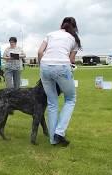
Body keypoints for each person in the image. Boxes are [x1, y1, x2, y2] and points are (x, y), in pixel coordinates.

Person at [38, 17, 81, 147]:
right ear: (74, 27)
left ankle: (53, 139)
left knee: (52, 103)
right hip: (62, 66)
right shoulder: (74, 39)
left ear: (61, 24)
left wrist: (43, 67)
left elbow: (40, 52)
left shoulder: (50, 34)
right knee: (70, 99)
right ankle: (59, 132)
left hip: (45, 66)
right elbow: (71, 60)